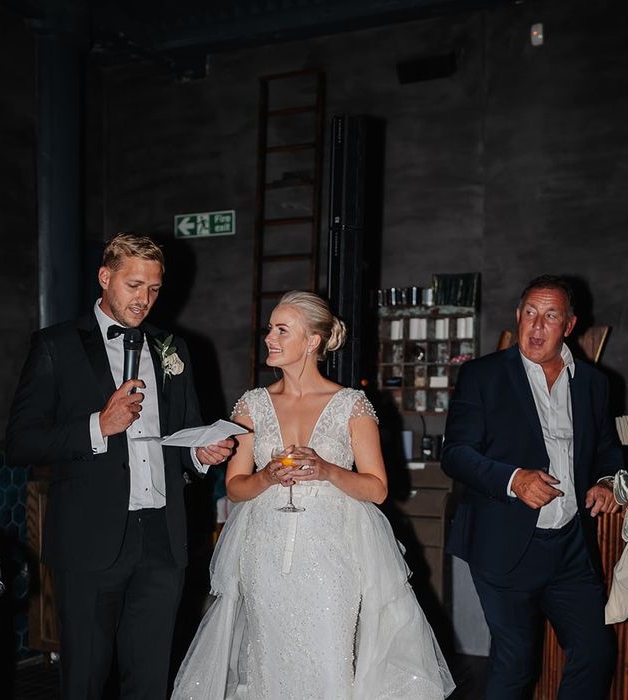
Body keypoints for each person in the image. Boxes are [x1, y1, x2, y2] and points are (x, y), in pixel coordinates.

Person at [173, 291, 455, 700]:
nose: (269, 336)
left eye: (282, 330)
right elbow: (235, 486)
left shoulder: (351, 405)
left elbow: (376, 488)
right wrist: (267, 476)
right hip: (265, 553)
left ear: (312, 342)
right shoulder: (251, 405)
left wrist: (326, 470)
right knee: (266, 658)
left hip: (331, 554)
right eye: (271, 328)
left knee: (328, 656)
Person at [6, 232, 233, 700]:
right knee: (85, 680)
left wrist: (200, 454)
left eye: (153, 289)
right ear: (105, 278)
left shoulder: (173, 349)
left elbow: (183, 435)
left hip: (162, 542)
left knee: (150, 680)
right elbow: (21, 443)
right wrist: (97, 426)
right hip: (90, 543)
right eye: (134, 285)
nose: (144, 300)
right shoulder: (56, 346)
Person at [441, 274, 623, 699]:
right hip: (504, 543)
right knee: (516, 661)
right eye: (529, 314)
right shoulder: (482, 376)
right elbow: (457, 454)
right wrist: (513, 479)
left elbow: (609, 450)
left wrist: (606, 482)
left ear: (569, 326)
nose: (537, 327)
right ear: (517, 317)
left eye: (550, 316)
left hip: (571, 549)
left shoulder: (595, 384)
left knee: (595, 652)